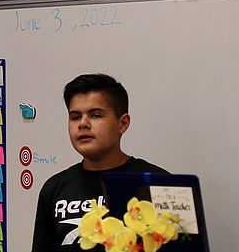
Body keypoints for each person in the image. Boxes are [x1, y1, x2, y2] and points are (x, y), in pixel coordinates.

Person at [31, 73, 168, 252]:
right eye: (75, 117)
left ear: (122, 123)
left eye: (95, 115)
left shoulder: (159, 184)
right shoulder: (54, 188)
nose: (83, 124)